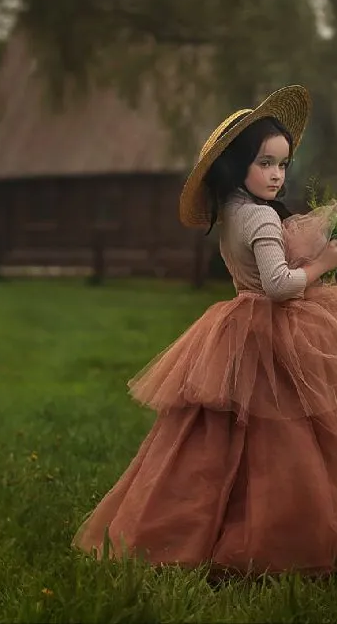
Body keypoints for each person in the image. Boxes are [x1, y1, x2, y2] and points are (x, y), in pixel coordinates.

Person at [72, 85, 337, 577]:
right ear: (236, 166)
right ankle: (279, 539)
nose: (277, 175)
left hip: (238, 325)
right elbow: (279, 286)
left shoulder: (233, 211)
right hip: (276, 327)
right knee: (285, 433)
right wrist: (321, 263)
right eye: (265, 163)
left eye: (283, 165)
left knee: (219, 437)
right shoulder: (258, 216)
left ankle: (193, 528)